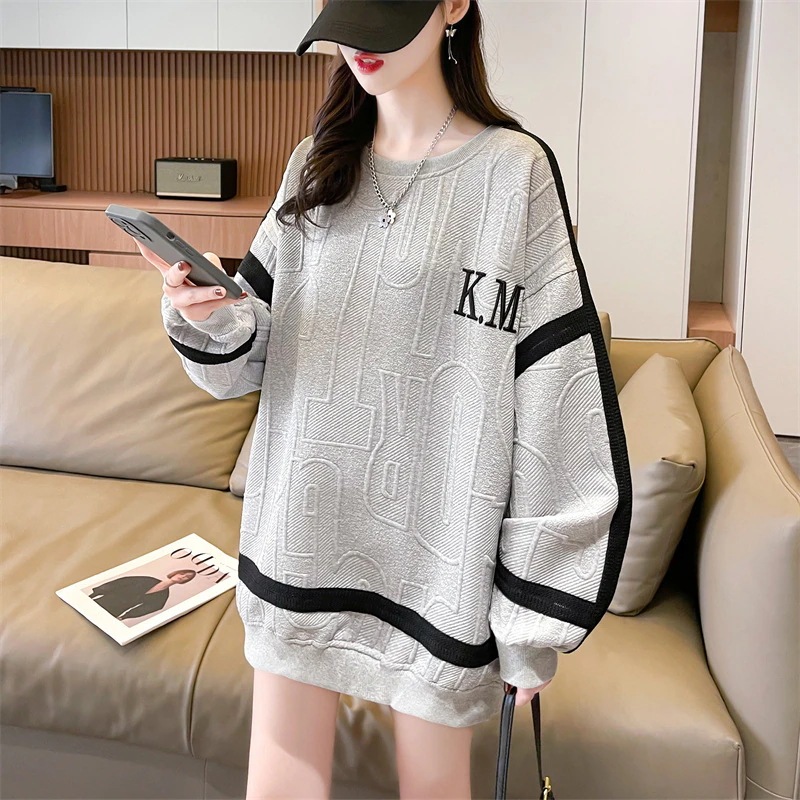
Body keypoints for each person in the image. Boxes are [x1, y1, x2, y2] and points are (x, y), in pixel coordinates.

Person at [138, 1, 632, 797]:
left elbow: (555, 393)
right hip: (298, 537)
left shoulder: (513, 173)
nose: (358, 46)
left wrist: (532, 621)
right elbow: (254, 354)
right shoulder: (315, 162)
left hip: (438, 567)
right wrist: (207, 313)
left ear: (453, 6)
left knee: (434, 787)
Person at [88, 569, 196, 620]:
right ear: (176, 573)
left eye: (186, 577)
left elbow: (148, 608)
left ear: (185, 581)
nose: (183, 577)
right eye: (182, 573)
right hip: (103, 600)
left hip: (115, 611)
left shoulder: (163, 596)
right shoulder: (147, 580)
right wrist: (96, 592)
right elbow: (120, 583)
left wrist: (125, 616)